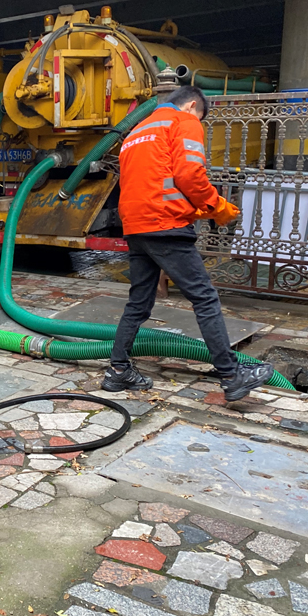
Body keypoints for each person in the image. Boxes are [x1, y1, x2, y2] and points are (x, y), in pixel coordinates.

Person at [103, 85, 274, 402]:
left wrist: (192, 207)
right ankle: (232, 375)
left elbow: (153, 180)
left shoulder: (136, 132)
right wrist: (216, 206)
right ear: (192, 105)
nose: (200, 124)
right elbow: (189, 174)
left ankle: (117, 371)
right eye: (201, 117)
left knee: (139, 303)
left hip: (137, 226)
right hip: (165, 225)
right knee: (205, 298)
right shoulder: (183, 121)